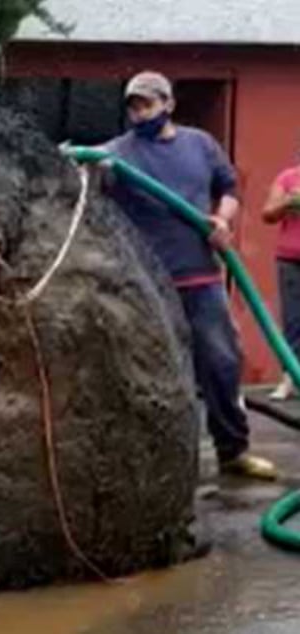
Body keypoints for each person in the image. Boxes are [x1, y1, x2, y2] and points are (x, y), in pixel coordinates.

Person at [103, 70, 277, 480]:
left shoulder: (200, 145)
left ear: (168, 104)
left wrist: (221, 220)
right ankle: (152, 467)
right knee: (151, 371)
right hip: (146, 284)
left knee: (221, 363)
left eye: (147, 103)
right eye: (133, 105)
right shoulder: (117, 153)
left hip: (201, 277)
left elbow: (230, 188)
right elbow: (86, 179)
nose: (139, 112)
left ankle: (233, 452)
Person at [263, 153, 300, 400]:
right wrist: (288, 202)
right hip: (291, 258)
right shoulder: (288, 178)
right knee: (293, 320)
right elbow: (267, 214)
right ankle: (289, 378)